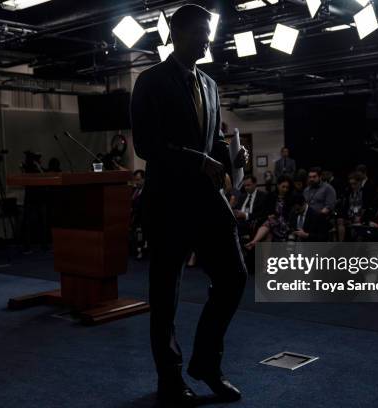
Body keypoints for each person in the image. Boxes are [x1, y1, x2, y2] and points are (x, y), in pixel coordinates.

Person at [130, 5, 248, 405]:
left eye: (209, 32)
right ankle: (170, 379)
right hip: (167, 202)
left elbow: (209, 140)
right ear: (175, 33)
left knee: (233, 278)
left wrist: (232, 154)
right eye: (201, 31)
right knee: (166, 296)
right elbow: (147, 146)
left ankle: (206, 364)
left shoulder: (211, 85)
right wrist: (199, 159)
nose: (208, 39)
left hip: (206, 200)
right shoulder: (150, 81)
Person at [245, 176, 293, 248]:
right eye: (283, 187)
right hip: (273, 222)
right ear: (278, 185)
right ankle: (264, 257)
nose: (285, 189)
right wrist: (268, 216)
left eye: (287, 187)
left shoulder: (291, 198)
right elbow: (264, 212)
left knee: (269, 223)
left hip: (285, 223)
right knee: (268, 234)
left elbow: (291, 214)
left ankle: (254, 241)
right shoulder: (271, 196)